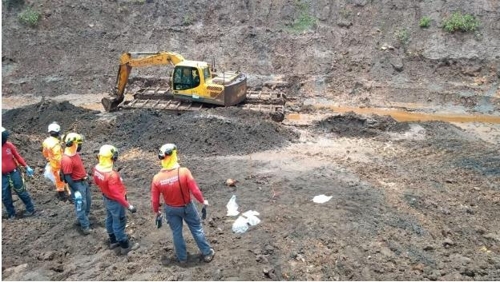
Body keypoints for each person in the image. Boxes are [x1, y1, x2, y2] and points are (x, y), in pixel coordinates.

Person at [151, 143, 215, 264]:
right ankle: (207, 253)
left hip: (170, 209)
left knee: (176, 233)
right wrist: (202, 201)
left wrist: (156, 211)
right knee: (196, 228)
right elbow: (195, 190)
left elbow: (154, 200)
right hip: (187, 207)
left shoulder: (157, 178)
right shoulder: (184, 172)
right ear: (174, 155)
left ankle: (182, 258)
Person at [93, 145, 139, 255]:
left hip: (106, 198)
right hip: (115, 202)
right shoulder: (112, 175)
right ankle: (125, 246)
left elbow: (96, 182)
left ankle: (113, 241)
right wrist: (128, 206)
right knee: (119, 222)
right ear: (112, 158)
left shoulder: (97, 168)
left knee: (109, 219)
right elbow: (117, 194)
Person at [2, 127, 36, 220]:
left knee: (21, 191)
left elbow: (17, 156)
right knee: (5, 196)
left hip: (14, 173)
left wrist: (26, 166)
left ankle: (30, 209)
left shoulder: (9, 145)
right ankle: (11, 214)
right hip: (2, 176)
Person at [61, 133, 91, 235]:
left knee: (88, 203)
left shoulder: (75, 154)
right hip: (77, 184)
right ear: (71, 144)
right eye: (79, 144)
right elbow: (68, 177)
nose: (80, 146)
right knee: (81, 205)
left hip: (83, 182)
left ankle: (82, 219)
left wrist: (85, 175)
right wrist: (76, 190)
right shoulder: (66, 160)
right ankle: (85, 226)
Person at [42, 122, 70, 201]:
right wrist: (63, 167)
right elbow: (59, 158)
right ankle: (64, 195)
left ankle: (62, 192)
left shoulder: (46, 141)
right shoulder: (55, 145)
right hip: (59, 166)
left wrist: (49, 158)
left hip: (53, 164)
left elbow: (45, 153)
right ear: (58, 132)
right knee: (62, 180)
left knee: (58, 180)